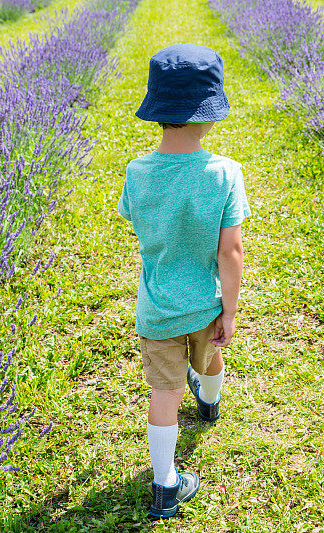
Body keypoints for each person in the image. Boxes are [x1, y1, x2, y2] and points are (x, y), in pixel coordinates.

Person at [117, 43, 250, 518]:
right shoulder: (224, 173)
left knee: (164, 394)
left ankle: (166, 485)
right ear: (209, 114)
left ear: (158, 111)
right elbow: (230, 251)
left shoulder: (137, 172)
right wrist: (229, 312)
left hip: (157, 308)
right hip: (205, 304)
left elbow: (138, 221)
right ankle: (210, 407)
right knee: (210, 358)